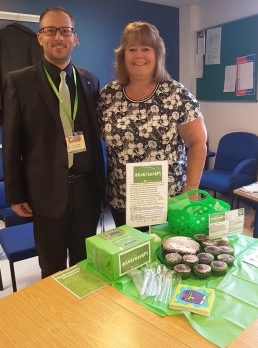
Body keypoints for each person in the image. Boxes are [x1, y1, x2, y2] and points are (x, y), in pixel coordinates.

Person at [2, 6, 105, 278]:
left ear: (75, 38)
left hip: (87, 192)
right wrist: (15, 194)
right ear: (40, 37)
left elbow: (95, 138)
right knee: (52, 267)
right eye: (50, 31)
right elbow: (11, 145)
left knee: (86, 265)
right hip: (45, 192)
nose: (58, 37)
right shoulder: (18, 82)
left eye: (65, 31)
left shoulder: (90, 80)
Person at [97, 21, 207, 228]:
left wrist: (191, 192)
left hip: (169, 202)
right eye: (132, 49)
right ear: (123, 56)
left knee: (167, 256)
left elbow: (198, 142)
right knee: (132, 257)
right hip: (123, 202)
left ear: (157, 54)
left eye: (146, 49)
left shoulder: (176, 94)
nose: (139, 55)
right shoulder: (107, 96)